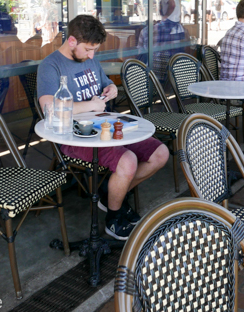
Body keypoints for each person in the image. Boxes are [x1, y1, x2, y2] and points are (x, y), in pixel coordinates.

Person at [37, 15, 169, 240]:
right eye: (88, 49)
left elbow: (104, 81)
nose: (91, 55)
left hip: (104, 125)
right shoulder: (51, 65)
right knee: (127, 161)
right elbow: (49, 106)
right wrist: (91, 104)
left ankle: (110, 195)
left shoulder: (88, 59)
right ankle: (113, 218)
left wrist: (111, 89)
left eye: (95, 50)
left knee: (160, 153)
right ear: (71, 41)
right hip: (75, 137)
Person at [136, 0, 186, 84]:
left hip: (151, 78)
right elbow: (187, 55)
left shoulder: (146, 31)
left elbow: (140, 54)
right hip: (176, 81)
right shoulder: (181, 30)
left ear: (159, 11)